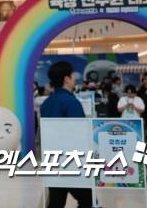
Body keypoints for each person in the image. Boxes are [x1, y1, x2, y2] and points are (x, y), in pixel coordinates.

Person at [40, 61, 93, 208]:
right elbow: (79, 133)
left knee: (56, 202)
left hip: (52, 160)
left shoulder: (47, 103)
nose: (75, 78)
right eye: (72, 76)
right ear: (66, 79)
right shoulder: (71, 102)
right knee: (87, 200)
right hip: (72, 162)